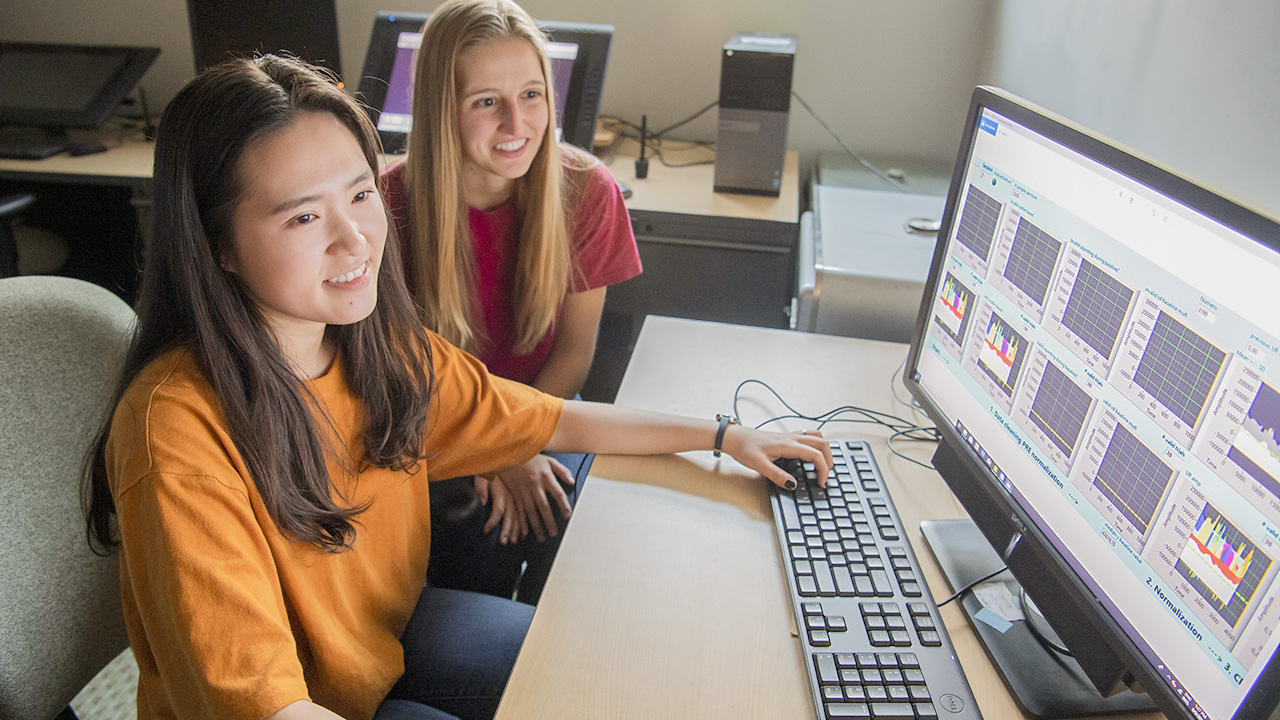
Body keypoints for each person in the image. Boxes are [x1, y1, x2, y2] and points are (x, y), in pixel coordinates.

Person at [81, 55, 831, 720]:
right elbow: (256, 700)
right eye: (304, 216)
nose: (355, 241)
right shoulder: (176, 428)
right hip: (302, 702)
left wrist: (727, 435)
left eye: (360, 196)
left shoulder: (375, 348)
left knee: (588, 673)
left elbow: (554, 419)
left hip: (380, 646)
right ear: (219, 250)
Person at [380, 0, 641, 604]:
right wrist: (488, 456)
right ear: (441, 109)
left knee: (579, 522)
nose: (516, 124)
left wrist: (517, 443)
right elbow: (393, 381)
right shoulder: (385, 207)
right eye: (486, 102)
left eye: (530, 94)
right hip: (431, 432)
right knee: (480, 537)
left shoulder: (586, 191)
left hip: (541, 415)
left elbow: (575, 355)